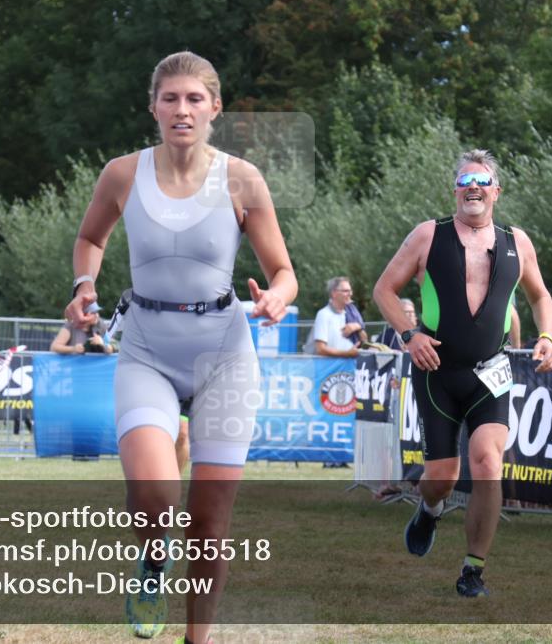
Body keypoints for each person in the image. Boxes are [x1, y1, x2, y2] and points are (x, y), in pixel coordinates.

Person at [64, 51, 296, 643]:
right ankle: (150, 562)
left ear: (215, 108)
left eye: (195, 99)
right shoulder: (122, 173)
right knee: (153, 499)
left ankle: (198, 638)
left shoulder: (242, 178)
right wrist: (83, 285)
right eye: (171, 99)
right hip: (146, 346)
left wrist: (276, 297)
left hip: (224, 350)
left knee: (210, 523)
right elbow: (90, 237)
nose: (182, 109)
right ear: (153, 107)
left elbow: (285, 272)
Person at [372, 148, 552, 598]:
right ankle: (429, 509)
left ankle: (473, 568)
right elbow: (384, 289)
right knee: (442, 477)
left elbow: (540, 297)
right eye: (464, 180)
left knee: (489, 463)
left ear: (496, 190)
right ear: (454, 189)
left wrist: (548, 336)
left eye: (481, 180)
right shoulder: (427, 235)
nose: (472, 187)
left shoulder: (518, 242)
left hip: (491, 372)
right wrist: (410, 334)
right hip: (437, 369)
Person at [312, 276, 363, 357]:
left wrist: (358, 327)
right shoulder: (324, 314)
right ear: (334, 293)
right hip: (331, 368)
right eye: (346, 291)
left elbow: (365, 340)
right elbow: (320, 349)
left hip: (350, 367)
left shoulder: (352, 314)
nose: (350, 294)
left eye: (350, 291)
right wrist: (348, 354)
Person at [49, 314, 115, 354]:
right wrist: (73, 349)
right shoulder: (71, 325)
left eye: (97, 312)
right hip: (74, 369)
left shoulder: (100, 324)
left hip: (96, 371)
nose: (97, 315)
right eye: (92, 312)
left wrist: (103, 343)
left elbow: (113, 347)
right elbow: (54, 347)